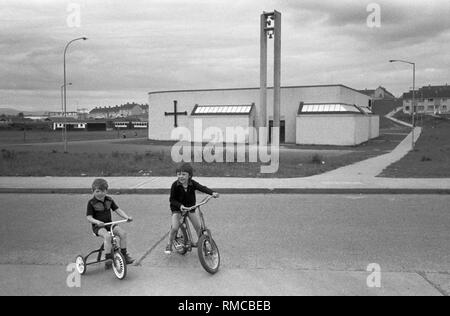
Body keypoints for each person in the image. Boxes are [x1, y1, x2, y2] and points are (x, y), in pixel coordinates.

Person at [165, 163, 219, 254]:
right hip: (177, 209)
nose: (181, 176)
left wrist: (212, 193)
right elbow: (172, 200)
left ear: (189, 175)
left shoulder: (192, 183)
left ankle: (202, 244)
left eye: (183, 174)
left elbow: (202, 188)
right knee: (174, 227)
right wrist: (180, 206)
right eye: (179, 174)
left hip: (190, 208)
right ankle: (169, 243)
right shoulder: (175, 185)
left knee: (198, 227)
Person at [86, 178, 135, 268]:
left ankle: (124, 255)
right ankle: (108, 258)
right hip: (98, 227)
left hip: (109, 224)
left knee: (123, 234)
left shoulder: (109, 200)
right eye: (97, 191)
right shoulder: (91, 203)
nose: (100, 193)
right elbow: (89, 217)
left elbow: (117, 210)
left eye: (103, 191)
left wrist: (126, 217)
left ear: (106, 191)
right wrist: (97, 222)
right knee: (107, 236)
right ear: (92, 191)